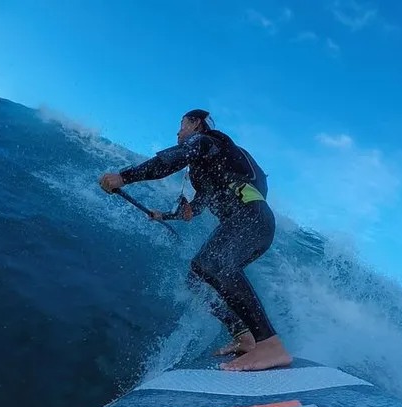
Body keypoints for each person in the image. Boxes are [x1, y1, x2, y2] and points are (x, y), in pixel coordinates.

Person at [99, 109, 292, 371]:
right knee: (197, 276)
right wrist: (166, 215)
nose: (178, 132)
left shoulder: (207, 142)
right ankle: (243, 335)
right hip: (245, 224)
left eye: (182, 125)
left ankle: (269, 345)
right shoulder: (207, 167)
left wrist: (124, 177)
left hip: (251, 217)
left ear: (196, 124)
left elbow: (171, 160)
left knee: (214, 263)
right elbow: (197, 207)